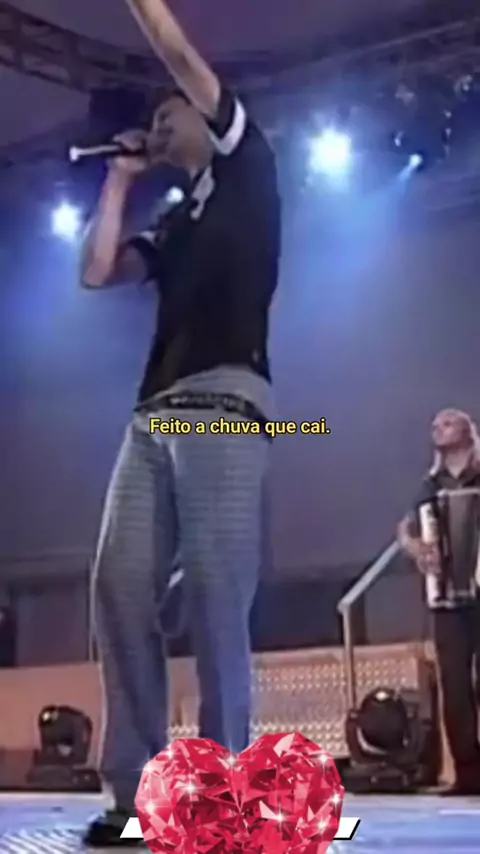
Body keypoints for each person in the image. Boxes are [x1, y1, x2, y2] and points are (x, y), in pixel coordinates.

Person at [81, 0, 280, 845]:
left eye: (170, 116)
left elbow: (175, 50)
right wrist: (120, 178)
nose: (159, 128)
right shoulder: (173, 219)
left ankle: (226, 789)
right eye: (154, 122)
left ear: (207, 116)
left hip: (225, 404)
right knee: (118, 585)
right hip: (152, 415)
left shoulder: (247, 163)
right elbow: (98, 271)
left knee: (214, 591)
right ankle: (135, 793)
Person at [398, 408, 480, 796]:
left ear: (467, 431)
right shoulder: (430, 486)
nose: (437, 428)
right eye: (434, 425)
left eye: (446, 423)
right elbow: (405, 529)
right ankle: (469, 774)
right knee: (455, 685)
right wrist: (417, 548)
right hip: (447, 596)